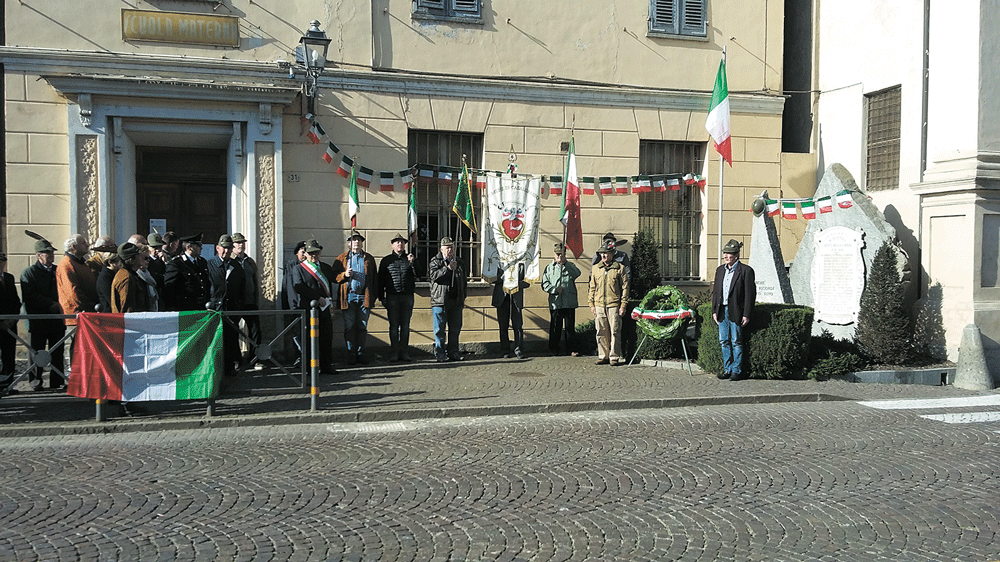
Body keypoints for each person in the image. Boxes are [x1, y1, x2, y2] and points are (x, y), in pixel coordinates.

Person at [20, 238, 66, 390]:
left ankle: (57, 380)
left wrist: (60, 305)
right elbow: (30, 296)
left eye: (52, 252)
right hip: (37, 320)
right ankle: (35, 381)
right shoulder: (29, 273)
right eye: (47, 253)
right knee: (36, 352)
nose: (51, 255)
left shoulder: (57, 270)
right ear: (39, 255)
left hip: (56, 320)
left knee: (57, 351)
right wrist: (49, 304)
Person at [711, 239, 756, 381]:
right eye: (725, 253)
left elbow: (750, 295)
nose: (726, 256)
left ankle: (737, 370)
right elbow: (716, 291)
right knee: (724, 341)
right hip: (722, 310)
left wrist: (746, 314)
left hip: (736, 311)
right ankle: (727, 369)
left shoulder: (746, 271)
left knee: (736, 341)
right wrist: (714, 311)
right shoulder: (720, 270)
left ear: (736, 256)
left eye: (729, 254)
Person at [290, 239, 337, 374]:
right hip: (310, 309)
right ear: (305, 254)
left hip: (325, 308)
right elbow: (298, 287)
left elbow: (335, 279)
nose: (314, 256)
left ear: (320, 253)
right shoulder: (299, 269)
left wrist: (345, 275)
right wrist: (317, 298)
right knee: (309, 341)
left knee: (326, 338)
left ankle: (326, 366)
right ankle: (310, 369)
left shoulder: (326, 268)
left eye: (316, 253)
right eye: (311, 253)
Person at [332, 232, 378, 365]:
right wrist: (344, 275)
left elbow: (374, 278)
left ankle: (360, 352)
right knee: (350, 327)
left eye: (359, 240)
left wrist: (374, 297)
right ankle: (351, 353)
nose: (356, 242)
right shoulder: (342, 258)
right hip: (348, 296)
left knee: (362, 326)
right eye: (353, 240)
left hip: (365, 296)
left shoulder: (368, 258)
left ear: (362, 243)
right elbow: (333, 277)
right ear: (349, 243)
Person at [207, 235, 245, 376]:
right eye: (224, 248)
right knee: (216, 340)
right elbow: (207, 286)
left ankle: (229, 368)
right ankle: (216, 369)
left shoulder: (236, 265)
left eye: (229, 248)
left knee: (231, 339)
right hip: (216, 309)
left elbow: (242, 287)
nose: (227, 251)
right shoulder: (210, 264)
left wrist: (239, 308)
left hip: (233, 309)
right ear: (217, 248)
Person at [588, 239, 629, 366]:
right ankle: (603, 355)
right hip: (599, 304)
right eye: (601, 254)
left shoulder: (620, 269)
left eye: (606, 253)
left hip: (613, 305)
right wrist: (591, 304)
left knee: (615, 331)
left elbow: (625, 288)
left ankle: (614, 357)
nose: (603, 256)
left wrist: (623, 305)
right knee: (600, 331)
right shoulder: (596, 268)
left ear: (612, 254)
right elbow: (592, 287)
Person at [378, 233, 417, 362]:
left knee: (405, 326)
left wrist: (413, 263)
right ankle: (394, 352)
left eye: (401, 242)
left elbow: (420, 274)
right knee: (394, 326)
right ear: (392, 245)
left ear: (405, 245)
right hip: (392, 296)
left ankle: (404, 352)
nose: (400, 244)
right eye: (397, 242)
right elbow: (380, 280)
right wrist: (381, 297)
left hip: (407, 296)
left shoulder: (410, 258)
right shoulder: (386, 260)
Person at [428, 237, 467, 362]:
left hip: (455, 300)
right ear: (442, 249)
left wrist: (463, 297)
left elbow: (464, 282)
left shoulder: (459, 262)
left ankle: (453, 352)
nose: (450, 250)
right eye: (447, 248)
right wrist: (448, 268)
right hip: (440, 301)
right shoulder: (435, 261)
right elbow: (434, 276)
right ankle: (440, 353)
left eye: (452, 247)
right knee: (439, 329)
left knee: (455, 328)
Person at [541, 242, 581, 356]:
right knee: (555, 327)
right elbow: (544, 284)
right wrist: (554, 290)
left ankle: (572, 349)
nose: (559, 256)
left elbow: (577, 273)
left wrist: (566, 264)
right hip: (556, 302)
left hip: (568, 302)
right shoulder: (549, 268)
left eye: (562, 254)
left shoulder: (570, 266)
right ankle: (554, 348)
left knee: (569, 328)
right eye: (557, 254)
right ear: (554, 255)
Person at [231, 232, 261, 367]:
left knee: (255, 330)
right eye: (238, 243)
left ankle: (255, 359)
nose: (241, 245)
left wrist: (256, 299)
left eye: (242, 242)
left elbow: (255, 280)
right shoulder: (230, 261)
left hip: (250, 302)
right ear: (232, 245)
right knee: (233, 331)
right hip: (235, 303)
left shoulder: (249, 261)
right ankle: (236, 360)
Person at [163, 233, 211, 311]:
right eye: (198, 245)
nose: (201, 248)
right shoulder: (176, 263)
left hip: (201, 307)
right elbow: (169, 287)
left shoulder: (202, 262)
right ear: (188, 247)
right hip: (185, 307)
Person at [492, 263, 528, 359]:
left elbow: (528, 281)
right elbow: (491, 277)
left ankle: (518, 349)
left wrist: (515, 282)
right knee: (503, 326)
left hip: (515, 298)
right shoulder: (498, 261)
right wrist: (506, 279)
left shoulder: (521, 263)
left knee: (518, 326)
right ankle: (505, 350)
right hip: (502, 298)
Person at [0, 254, 21, 392]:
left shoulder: (8, 277)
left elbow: (15, 300)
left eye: (3, 262)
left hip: (10, 323)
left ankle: (7, 385)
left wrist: (13, 318)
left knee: (9, 354)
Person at [111, 242, 152, 313]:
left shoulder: (128, 274)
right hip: (129, 322)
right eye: (139, 255)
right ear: (131, 260)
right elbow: (127, 309)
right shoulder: (127, 277)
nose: (141, 257)